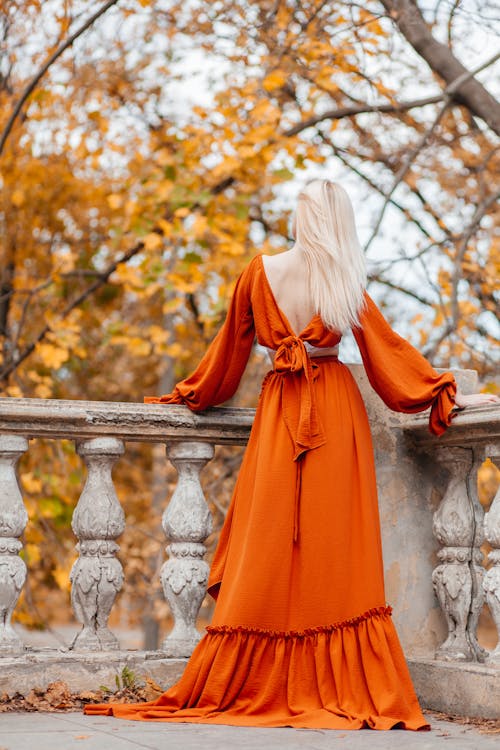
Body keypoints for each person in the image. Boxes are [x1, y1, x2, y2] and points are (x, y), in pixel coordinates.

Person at [85, 179, 498, 730]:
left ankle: (256, 678)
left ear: (300, 216)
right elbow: (387, 360)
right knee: (334, 548)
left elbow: (227, 354)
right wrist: (446, 391)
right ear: (341, 222)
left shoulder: (261, 272)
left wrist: (193, 396)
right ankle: (333, 681)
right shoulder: (343, 279)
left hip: (281, 411)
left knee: (270, 541)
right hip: (334, 411)